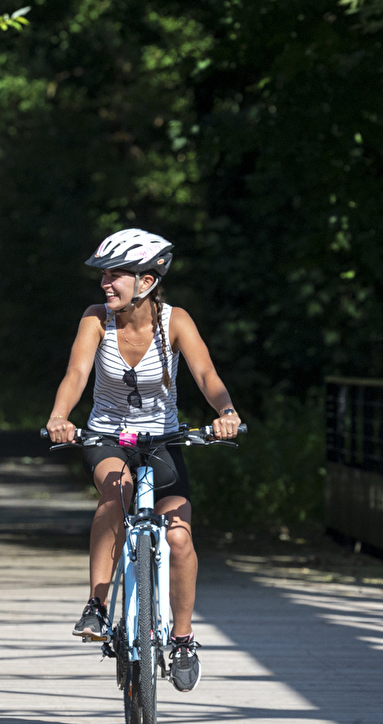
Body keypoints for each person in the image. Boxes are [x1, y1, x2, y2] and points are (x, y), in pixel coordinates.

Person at [43, 228, 241, 692]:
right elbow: (77, 373)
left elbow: (205, 372)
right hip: (106, 435)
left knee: (180, 538)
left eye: (116, 276)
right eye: (103, 276)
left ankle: (184, 637)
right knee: (117, 492)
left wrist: (226, 412)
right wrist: (59, 416)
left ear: (147, 281)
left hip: (164, 438)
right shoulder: (96, 320)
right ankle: (96, 604)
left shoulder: (175, 321)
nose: (104, 284)